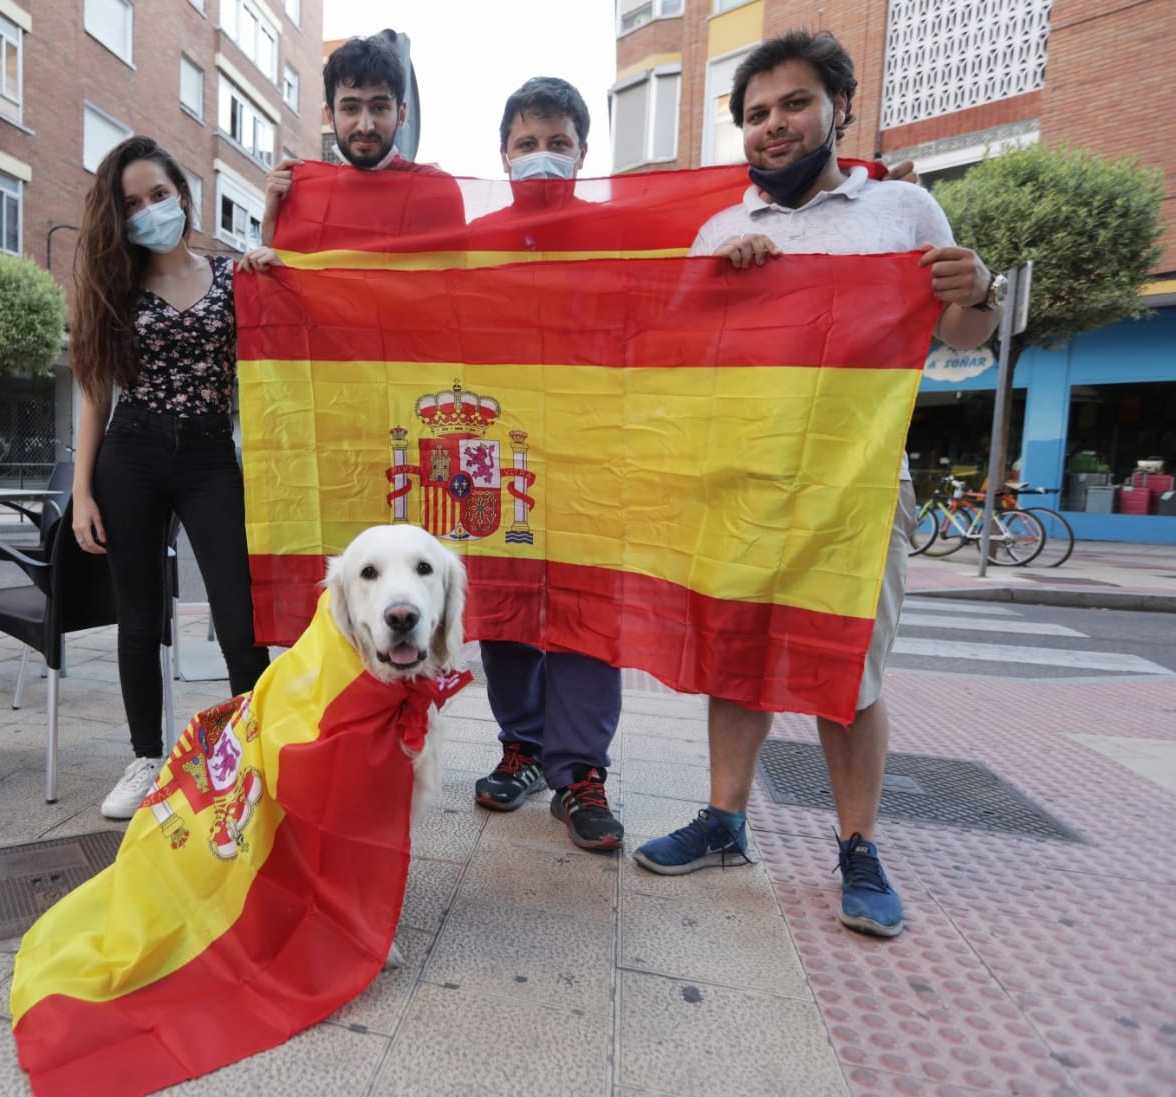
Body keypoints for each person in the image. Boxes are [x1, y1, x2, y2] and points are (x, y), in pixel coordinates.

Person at [631, 31, 1002, 937]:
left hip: (856, 484)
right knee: (735, 651)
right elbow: (677, 350)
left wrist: (978, 286)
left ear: (836, 106)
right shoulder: (722, 229)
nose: (774, 125)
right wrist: (720, 285)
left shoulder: (905, 210)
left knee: (850, 669)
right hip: (743, 475)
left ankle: (859, 846)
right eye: (755, 114)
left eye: (793, 104)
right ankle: (723, 819)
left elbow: (963, 334)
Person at [69, 135, 274, 820]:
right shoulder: (115, 290)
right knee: (138, 615)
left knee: (240, 615)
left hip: (213, 454)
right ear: (118, 218)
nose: (150, 210)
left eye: (159, 194)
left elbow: (279, 338)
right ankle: (144, 758)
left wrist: (269, 236)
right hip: (132, 453)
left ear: (183, 195)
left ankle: (254, 746)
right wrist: (80, 493)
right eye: (132, 203)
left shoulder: (231, 276)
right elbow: (96, 392)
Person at [468, 78, 626, 853]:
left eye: (555, 143)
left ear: (582, 153)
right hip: (497, 457)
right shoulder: (471, 245)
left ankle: (580, 774)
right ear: (502, 156)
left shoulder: (624, 238)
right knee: (503, 612)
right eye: (525, 144)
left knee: (589, 616)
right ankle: (522, 746)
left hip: (595, 457)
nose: (539, 157)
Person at [260, 34, 465, 245]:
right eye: (350, 109)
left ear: (401, 114)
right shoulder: (302, 197)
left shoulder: (437, 192)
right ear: (330, 116)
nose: (365, 126)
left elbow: (457, 276)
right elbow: (289, 275)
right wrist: (270, 228)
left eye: (379, 108)